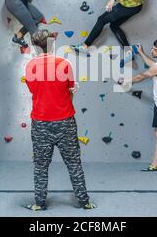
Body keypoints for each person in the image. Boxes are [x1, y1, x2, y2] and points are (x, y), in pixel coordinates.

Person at [24, 29, 95, 211]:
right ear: (52, 43)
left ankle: (39, 203)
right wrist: (70, 93)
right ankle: (84, 202)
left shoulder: (30, 66)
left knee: (40, 165)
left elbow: (36, 92)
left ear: (35, 46)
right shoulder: (64, 64)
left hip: (40, 123)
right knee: (74, 163)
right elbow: (68, 93)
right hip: (65, 121)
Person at [118, 38, 157, 171]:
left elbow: (141, 76)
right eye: (153, 48)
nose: (152, 50)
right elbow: (154, 65)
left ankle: (154, 165)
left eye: (156, 50)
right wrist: (141, 53)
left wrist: (125, 81)